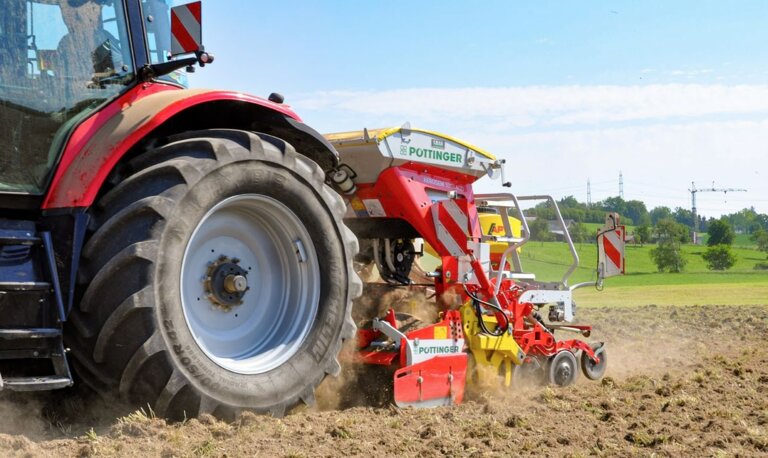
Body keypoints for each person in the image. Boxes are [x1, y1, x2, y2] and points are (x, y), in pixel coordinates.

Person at [57, 0, 121, 86]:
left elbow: (120, 68)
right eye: (63, 11)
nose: (67, 17)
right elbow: (60, 73)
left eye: (75, 15)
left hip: (102, 91)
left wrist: (95, 78)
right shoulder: (64, 43)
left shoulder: (101, 38)